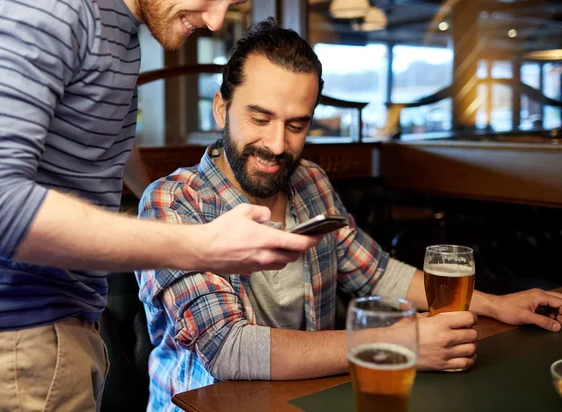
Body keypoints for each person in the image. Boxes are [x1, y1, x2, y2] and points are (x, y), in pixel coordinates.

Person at [135, 19, 562, 411]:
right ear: (222, 109)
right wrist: (399, 343)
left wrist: (495, 304)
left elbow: (375, 273)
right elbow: (228, 349)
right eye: (260, 118)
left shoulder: (310, 182)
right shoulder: (171, 202)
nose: (278, 144)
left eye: (297, 125)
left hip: (303, 398)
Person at [0, 1, 321, 411]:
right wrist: (200, 243)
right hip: (15, 339)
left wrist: (158, 192)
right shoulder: (53, 6)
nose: (216, 20)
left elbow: (98, 132)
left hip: (65, 329)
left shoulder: (116, 27)